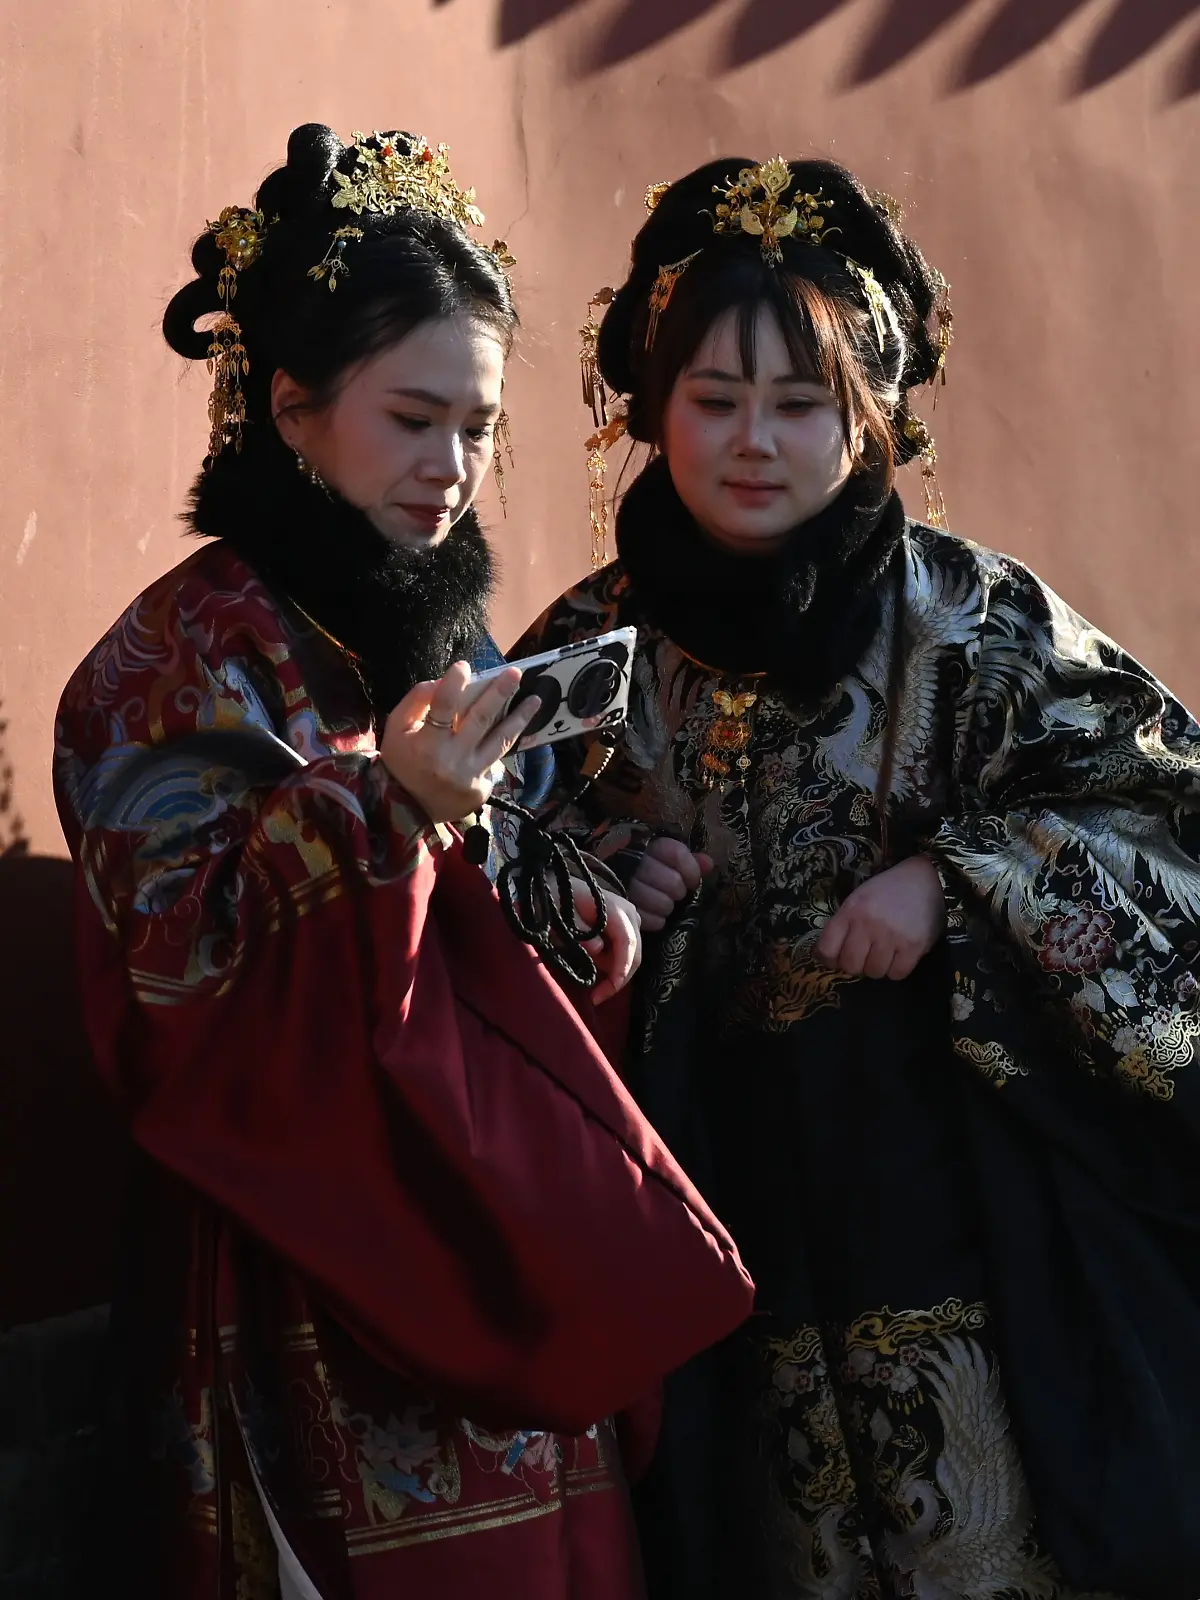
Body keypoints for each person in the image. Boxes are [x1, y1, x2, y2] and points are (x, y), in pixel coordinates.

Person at [52, 125, 753, 1600]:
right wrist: (383, 810)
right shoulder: (170, 664)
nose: (453, 472)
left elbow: (513, 915)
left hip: (494, 1232)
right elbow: (177, 984)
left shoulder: (447, 644)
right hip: (301, 1277)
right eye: (414, 420)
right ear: (291, 409)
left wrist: (603, 890)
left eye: (479, 429)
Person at [514, 155, 1200, 1599]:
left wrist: (959, 885)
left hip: (968, 1210)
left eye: (800, 403)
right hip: (714, 1216)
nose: (752, 441)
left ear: (873, 418)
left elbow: (1169, 821)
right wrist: (614, 898)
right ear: (649, 412)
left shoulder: (978, 623)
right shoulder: (581, 660)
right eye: (712, 400)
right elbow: (494, 897)